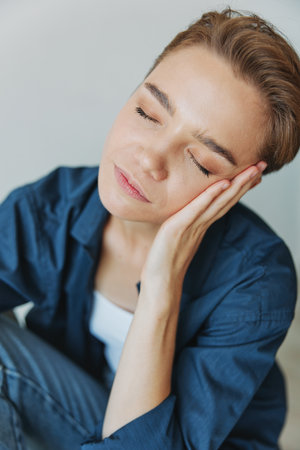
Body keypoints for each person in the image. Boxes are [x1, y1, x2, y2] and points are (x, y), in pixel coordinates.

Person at [0, 7, 299, 450]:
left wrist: (161, 284)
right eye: (147, 112)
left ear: (238, 187)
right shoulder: (52, 206)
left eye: (199, 160)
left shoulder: (257, 278)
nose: (148, 159)